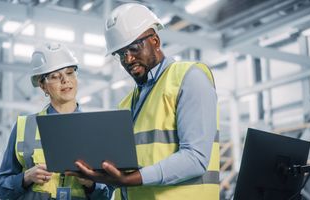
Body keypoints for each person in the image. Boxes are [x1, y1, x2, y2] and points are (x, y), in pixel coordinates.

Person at [69, 3, 219, 200]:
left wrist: (130, 179)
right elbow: (123, 176)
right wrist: (95, 181)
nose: (128, 59)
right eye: (121, 54)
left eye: (133, 48)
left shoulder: (188, 78)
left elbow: (195, 159)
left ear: (155, 41)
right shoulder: (125, 105)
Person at [0, 43, 112, 200]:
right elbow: (1, 188)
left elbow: (108, 193)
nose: (65, 80)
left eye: (70, 73)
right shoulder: (25, 126)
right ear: (43, 86)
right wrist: (25, 178)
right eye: (55, 76)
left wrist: (91, 184)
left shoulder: (96, 129)